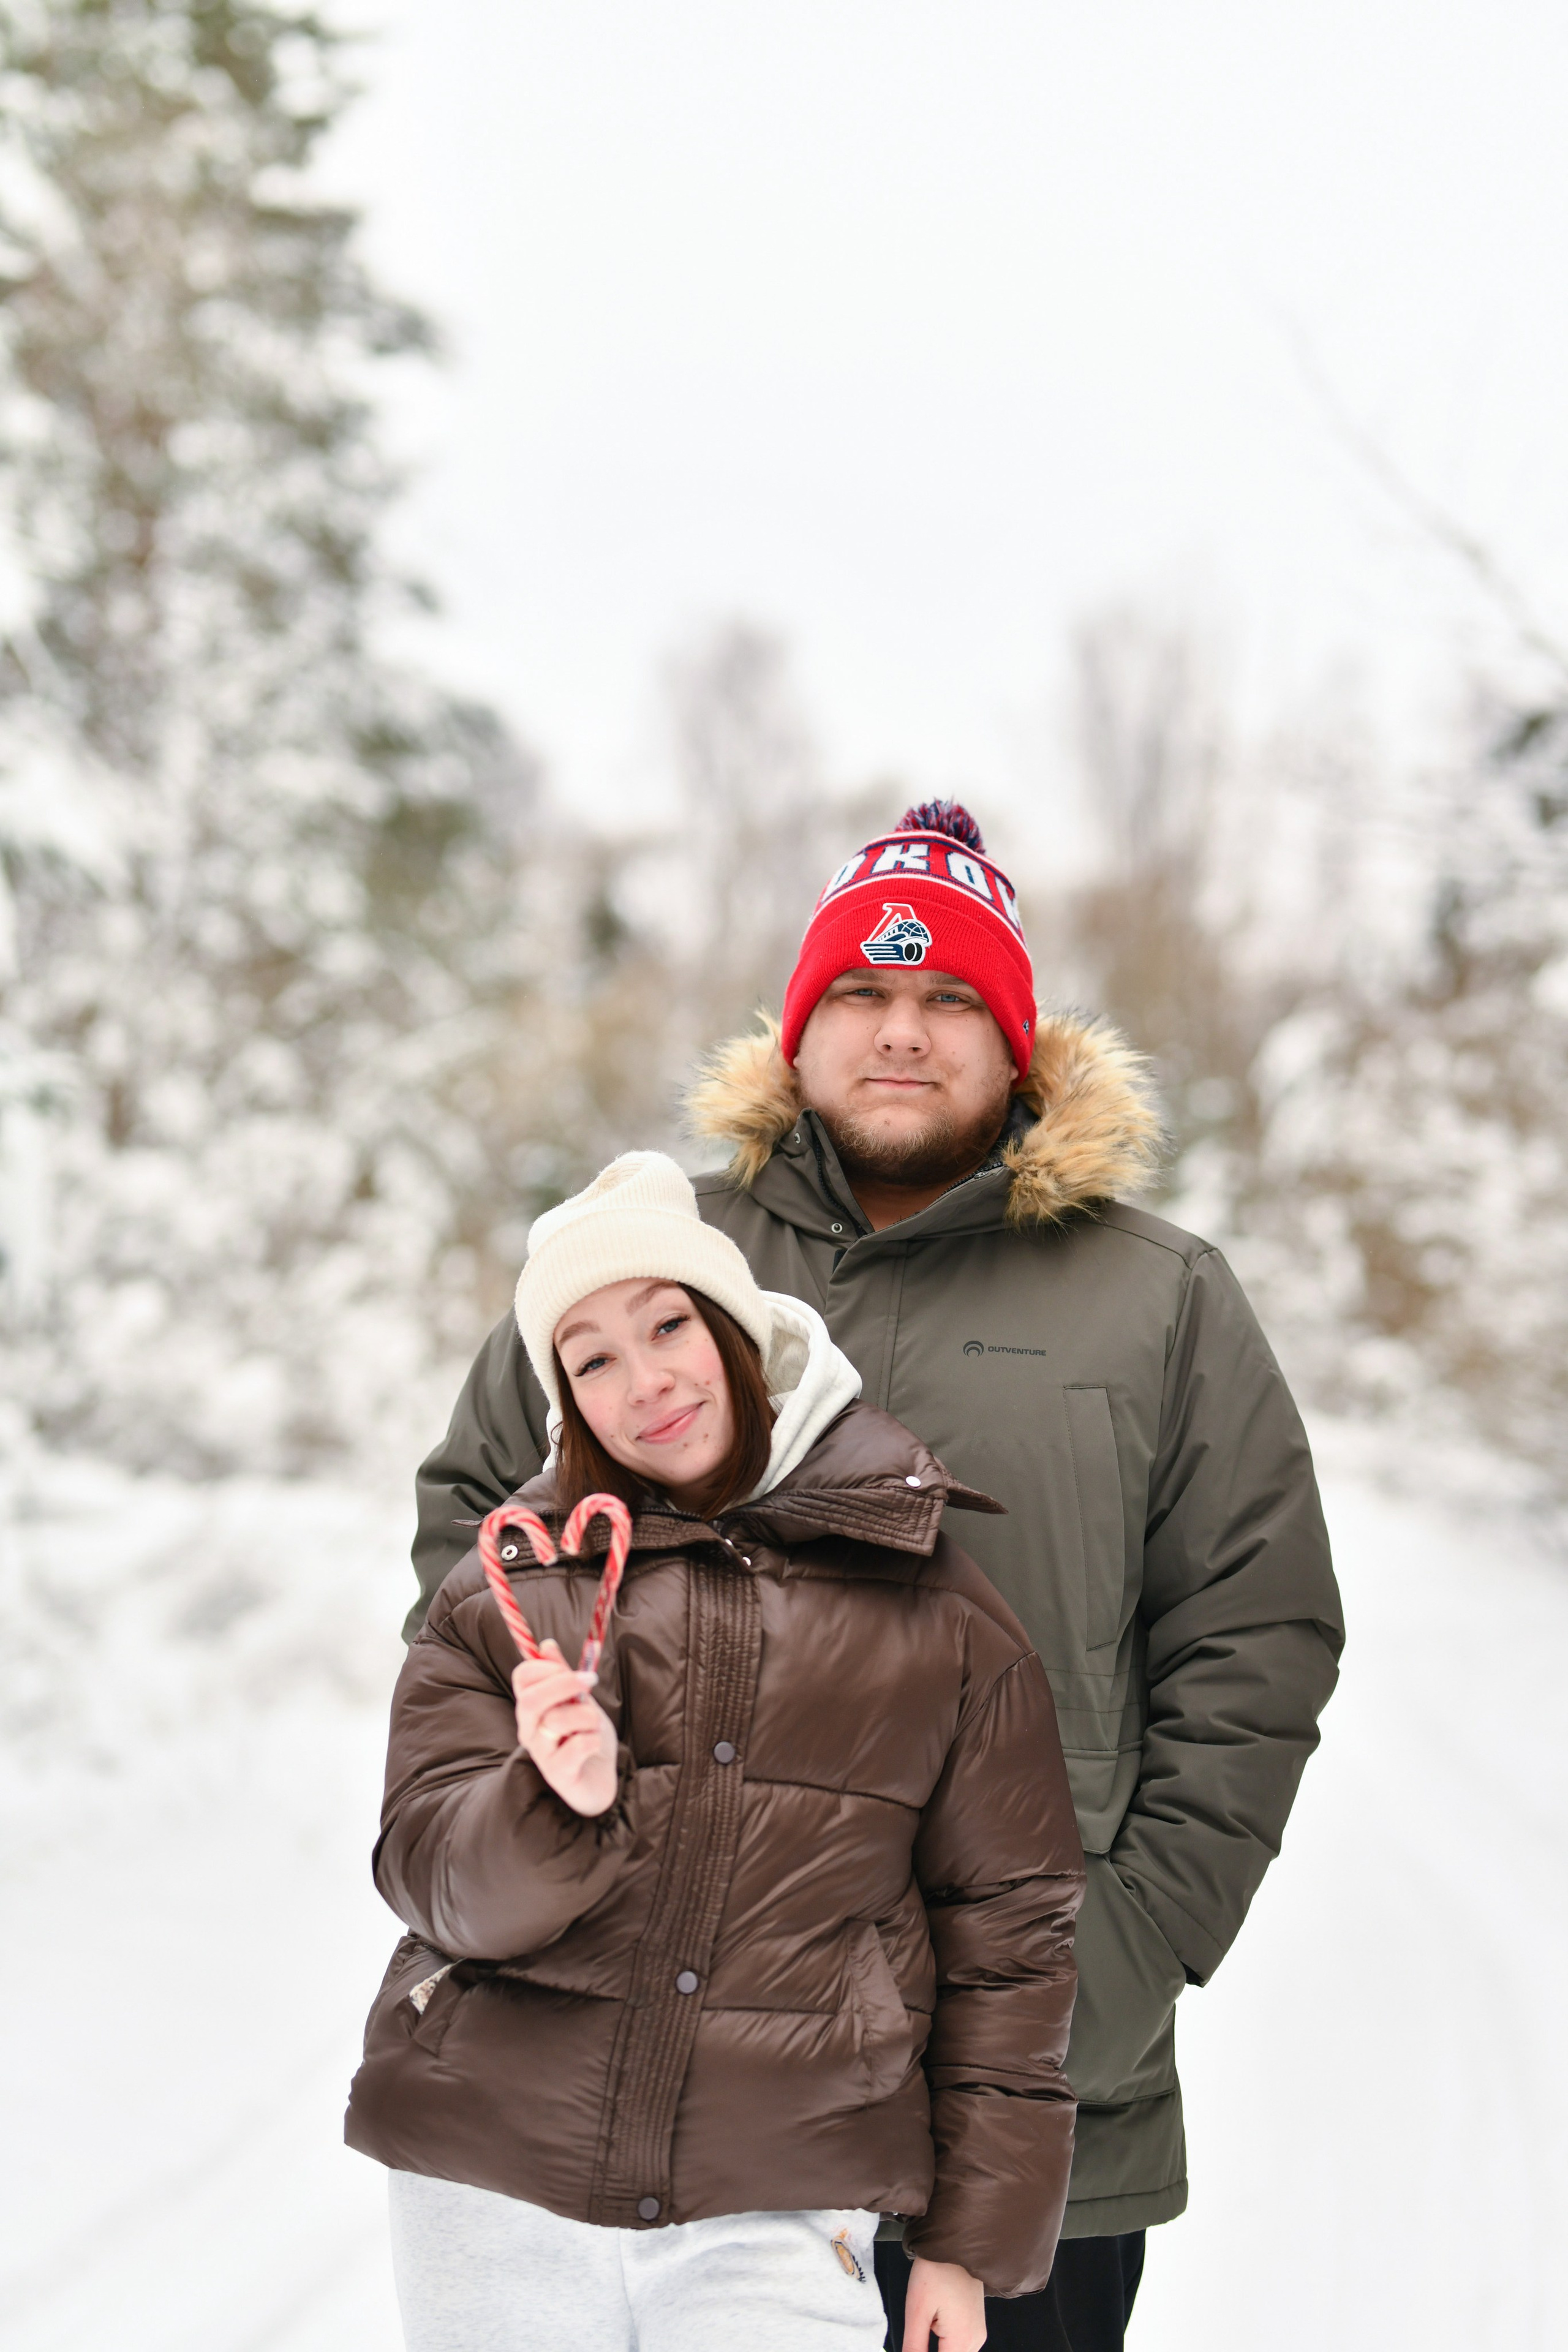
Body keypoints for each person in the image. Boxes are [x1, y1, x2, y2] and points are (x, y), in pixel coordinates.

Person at [407, 802, 1346, 2352]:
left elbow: (1255, 1646)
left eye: (948, 1000)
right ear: (799, 1027)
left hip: (1021, 2091)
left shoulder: (1158, 1300)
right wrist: (548, 1810)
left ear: (1017, 1041)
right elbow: (477, 1535)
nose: (899, 1033)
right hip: (683, 2078)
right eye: (861, 993)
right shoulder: (657, 1256)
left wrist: (1107, 1967)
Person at [348, 1150, 1086, 2352]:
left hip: (781, 2195)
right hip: (493, 2189)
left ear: (739, 1330)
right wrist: (552, 1802)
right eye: (591, 1360)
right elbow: (431, 1879)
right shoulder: (507, 1602)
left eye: (665, 1325)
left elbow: (1011, 1933)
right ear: (564, 1400)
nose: (644, 1382)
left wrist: (963, 2240)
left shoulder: (937, 1608)